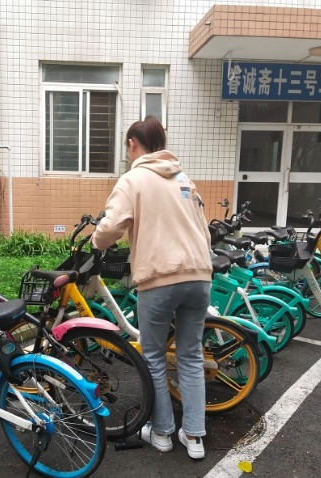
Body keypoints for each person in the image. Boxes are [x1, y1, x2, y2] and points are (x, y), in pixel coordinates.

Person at [92, 115, 212, 460]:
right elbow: (204, 230)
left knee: (155, 357)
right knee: (191, 356)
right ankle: (194, 436)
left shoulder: (133, 179)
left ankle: (161, 433)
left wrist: (97, 241)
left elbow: (110, 227)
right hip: (199, 277)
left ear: (133, 144)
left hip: (160, 279)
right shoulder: (184, 179)